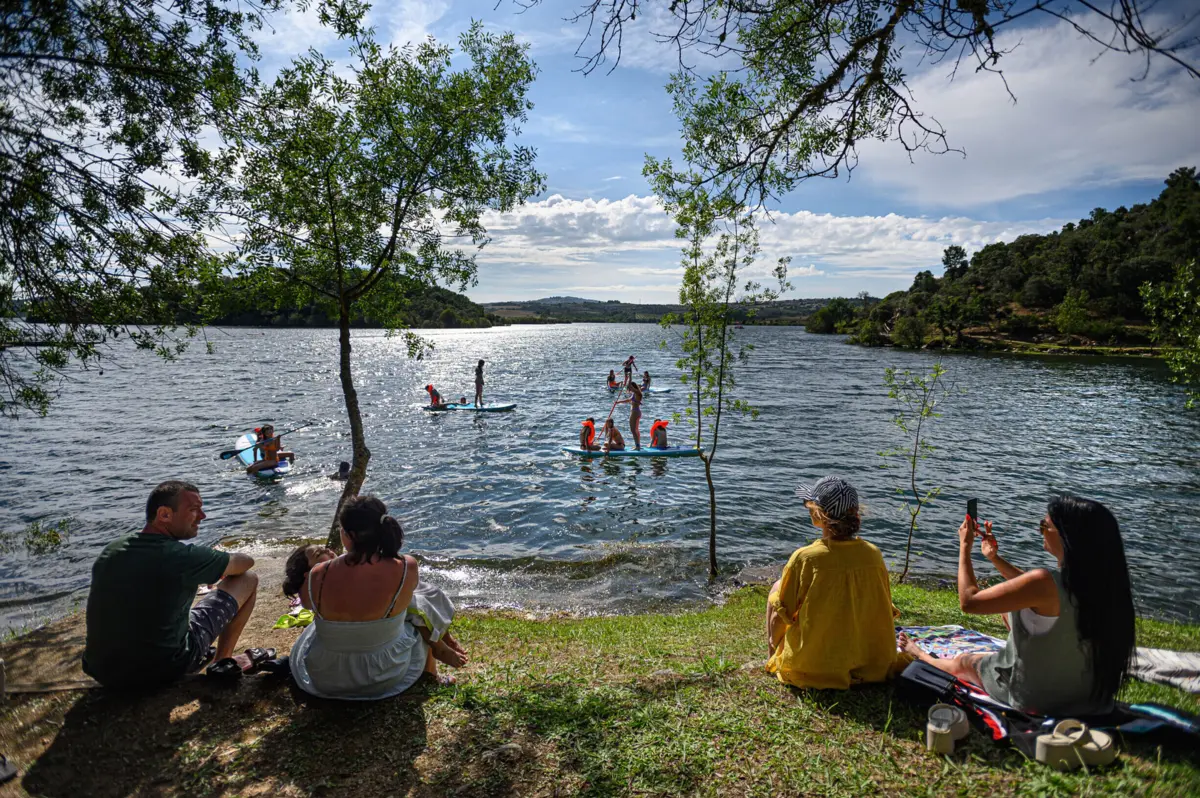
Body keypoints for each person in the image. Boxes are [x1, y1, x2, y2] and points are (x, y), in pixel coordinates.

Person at [899, 495, 1136, 716]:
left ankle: (921, 655)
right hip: (1087, 696)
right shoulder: (1104, 584)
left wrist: (965, 547)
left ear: (1067, 536)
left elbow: (969, 601)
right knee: (1009, 608)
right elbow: (1032, 589)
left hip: (1037, 698)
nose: (1040, 531)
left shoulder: (1044, 582)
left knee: (966, 661)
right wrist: (994, 558)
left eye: (1044, 526)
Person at [83, 481, 259, 689]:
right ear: (164, 514)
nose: (202, 516)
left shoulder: (111, 550)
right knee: (248, 579)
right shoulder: (180, 557)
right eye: (194, 510)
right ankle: (221, 663)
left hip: (103, 671)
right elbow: (245, 562)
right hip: (163, 670)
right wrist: (216, 564)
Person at [290, 495, 454, 698]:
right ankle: (432, 673)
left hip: (326, 677)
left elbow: (309, 604)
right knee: (415, 610)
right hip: (385, 676)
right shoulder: (406, 566)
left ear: (348, 535)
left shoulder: (317, 574)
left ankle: (438, 655)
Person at [767, 477, 904, 689]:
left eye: (809, 505)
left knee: (778, 588)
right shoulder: (873, 554)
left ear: (819, 514)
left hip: (813, 666)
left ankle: (772, 656)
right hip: (872, 663)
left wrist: (774, 645)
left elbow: (781, 614)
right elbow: (882, 607)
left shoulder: (806, 558)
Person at [284, 544, 467, 670]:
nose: (328, 551)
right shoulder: (315, 588)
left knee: (424, 591)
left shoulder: (336, 573)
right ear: (308, 573)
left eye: (325, 548)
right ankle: (438, 648)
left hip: (355, 640)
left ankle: (445, 637)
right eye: (319, 554)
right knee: (411, 604)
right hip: (367, 640)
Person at [616, 382, 643, 449]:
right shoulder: (634, 394)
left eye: (630, 387)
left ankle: (637, 446)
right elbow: (628, 400)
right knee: (636, 430)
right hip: (636, 412)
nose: (629, 389)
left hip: (635, 412)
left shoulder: (638, 393)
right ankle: (638, 445)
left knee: (633, 430)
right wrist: (619, 402)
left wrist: (630, 377)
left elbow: (632, 388)